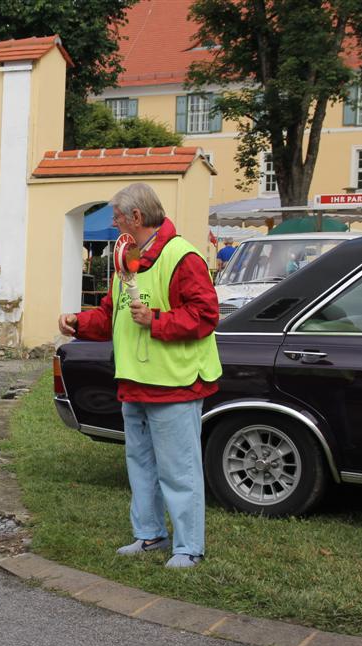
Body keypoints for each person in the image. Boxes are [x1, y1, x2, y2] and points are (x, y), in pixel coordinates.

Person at [59, 182, 221, 569]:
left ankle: (189, 547)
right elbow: (111, 315)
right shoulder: (127, 260)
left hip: (176, 382)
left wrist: (157, 321)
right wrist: (78, 323)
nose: (113, 225)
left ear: (136, 217)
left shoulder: (183, 257)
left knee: (179, 469)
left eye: (116, 218)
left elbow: (206, 315)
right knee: (142, 462)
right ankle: (149, 535)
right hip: (136, 382)